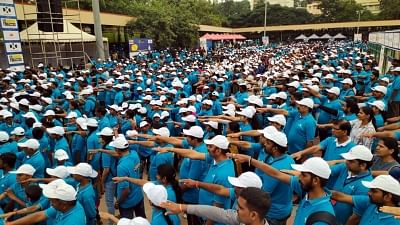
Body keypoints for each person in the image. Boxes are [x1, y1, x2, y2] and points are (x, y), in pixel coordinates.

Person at [230, 154, 335, 225]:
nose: (299, 177)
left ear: (316, 180)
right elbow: (276, 174)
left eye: (303, 175)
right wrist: (250, 160)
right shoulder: (307, 191)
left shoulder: (322, 217)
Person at [160, 187, 271, 225]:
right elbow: (217, 213)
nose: (236, 209)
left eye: (241, 208)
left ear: (253, 215)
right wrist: (182, 207)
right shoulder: (242, 219)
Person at [327, 145, 374, 225]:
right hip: (329, 217)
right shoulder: (345, 168)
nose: (346, 162)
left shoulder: (366, 185)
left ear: (363, 165)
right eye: (347, 159)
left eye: (351, 161)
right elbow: (326, 172)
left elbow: (355, 217)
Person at [5, 182, 87, 225]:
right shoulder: (68, 205)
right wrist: (10, 224)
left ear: (63, 204)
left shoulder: (73, 222)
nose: (50, 203)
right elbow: (39, 215)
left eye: (52, 201)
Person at [332, 175, 400, 225]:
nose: (369, 193)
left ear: (388, 197)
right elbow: (340, 197)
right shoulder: (370, 202)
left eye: (374, 191)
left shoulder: (396, 222)